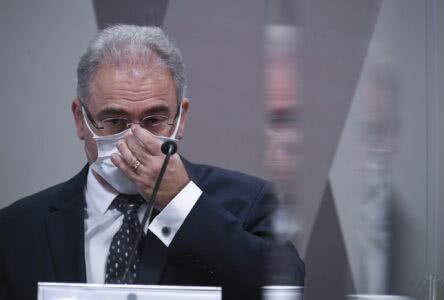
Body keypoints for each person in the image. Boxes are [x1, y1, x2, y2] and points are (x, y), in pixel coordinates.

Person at [0, 25, 304, 300]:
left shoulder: (249, 202)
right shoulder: (15, 228)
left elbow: (287, 287)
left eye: (154, 119)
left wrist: (181, 202)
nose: (136, 138)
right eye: (115, 120)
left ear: (181, 118)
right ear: (80, 120)